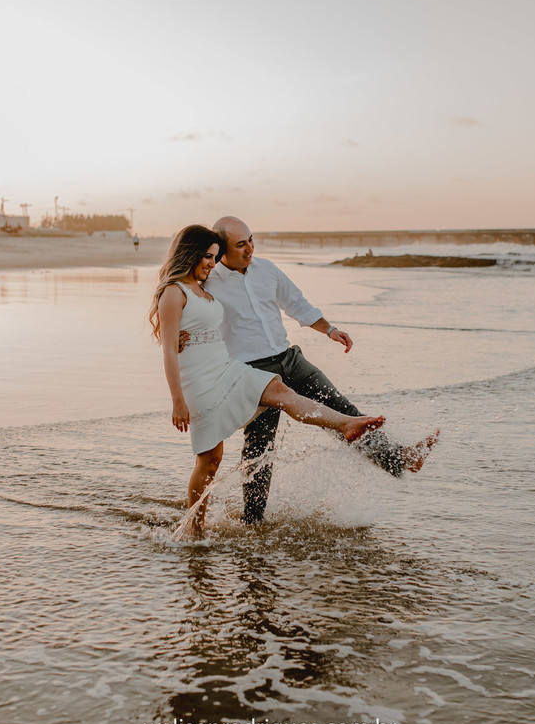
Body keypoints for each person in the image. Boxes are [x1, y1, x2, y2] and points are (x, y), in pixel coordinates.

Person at [150, 225, 386, 538]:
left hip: (230, 369)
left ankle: (347, 425)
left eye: (214, 257)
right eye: (207, 256)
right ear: (190, 254)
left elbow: (211, 323)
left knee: (279, 390)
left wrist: (329, 329)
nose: (211, 263)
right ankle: (195, 530)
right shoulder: (176, 290)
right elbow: (168, 348)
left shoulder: (205, 285)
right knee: (210, 460)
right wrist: (177, 401)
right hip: (202, 380)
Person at [203, 216, 440, 524]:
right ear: (222, 249)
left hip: (289, 359)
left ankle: (399, 458)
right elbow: (184, 307)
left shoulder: (266, 270)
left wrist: (330, 330)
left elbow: (296, 303)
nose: (250, 248)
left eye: (251, 240)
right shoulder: (208, 282)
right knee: (260, 446)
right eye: (240, 244)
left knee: (345, 413)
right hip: (253, 374)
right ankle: (253, 520)